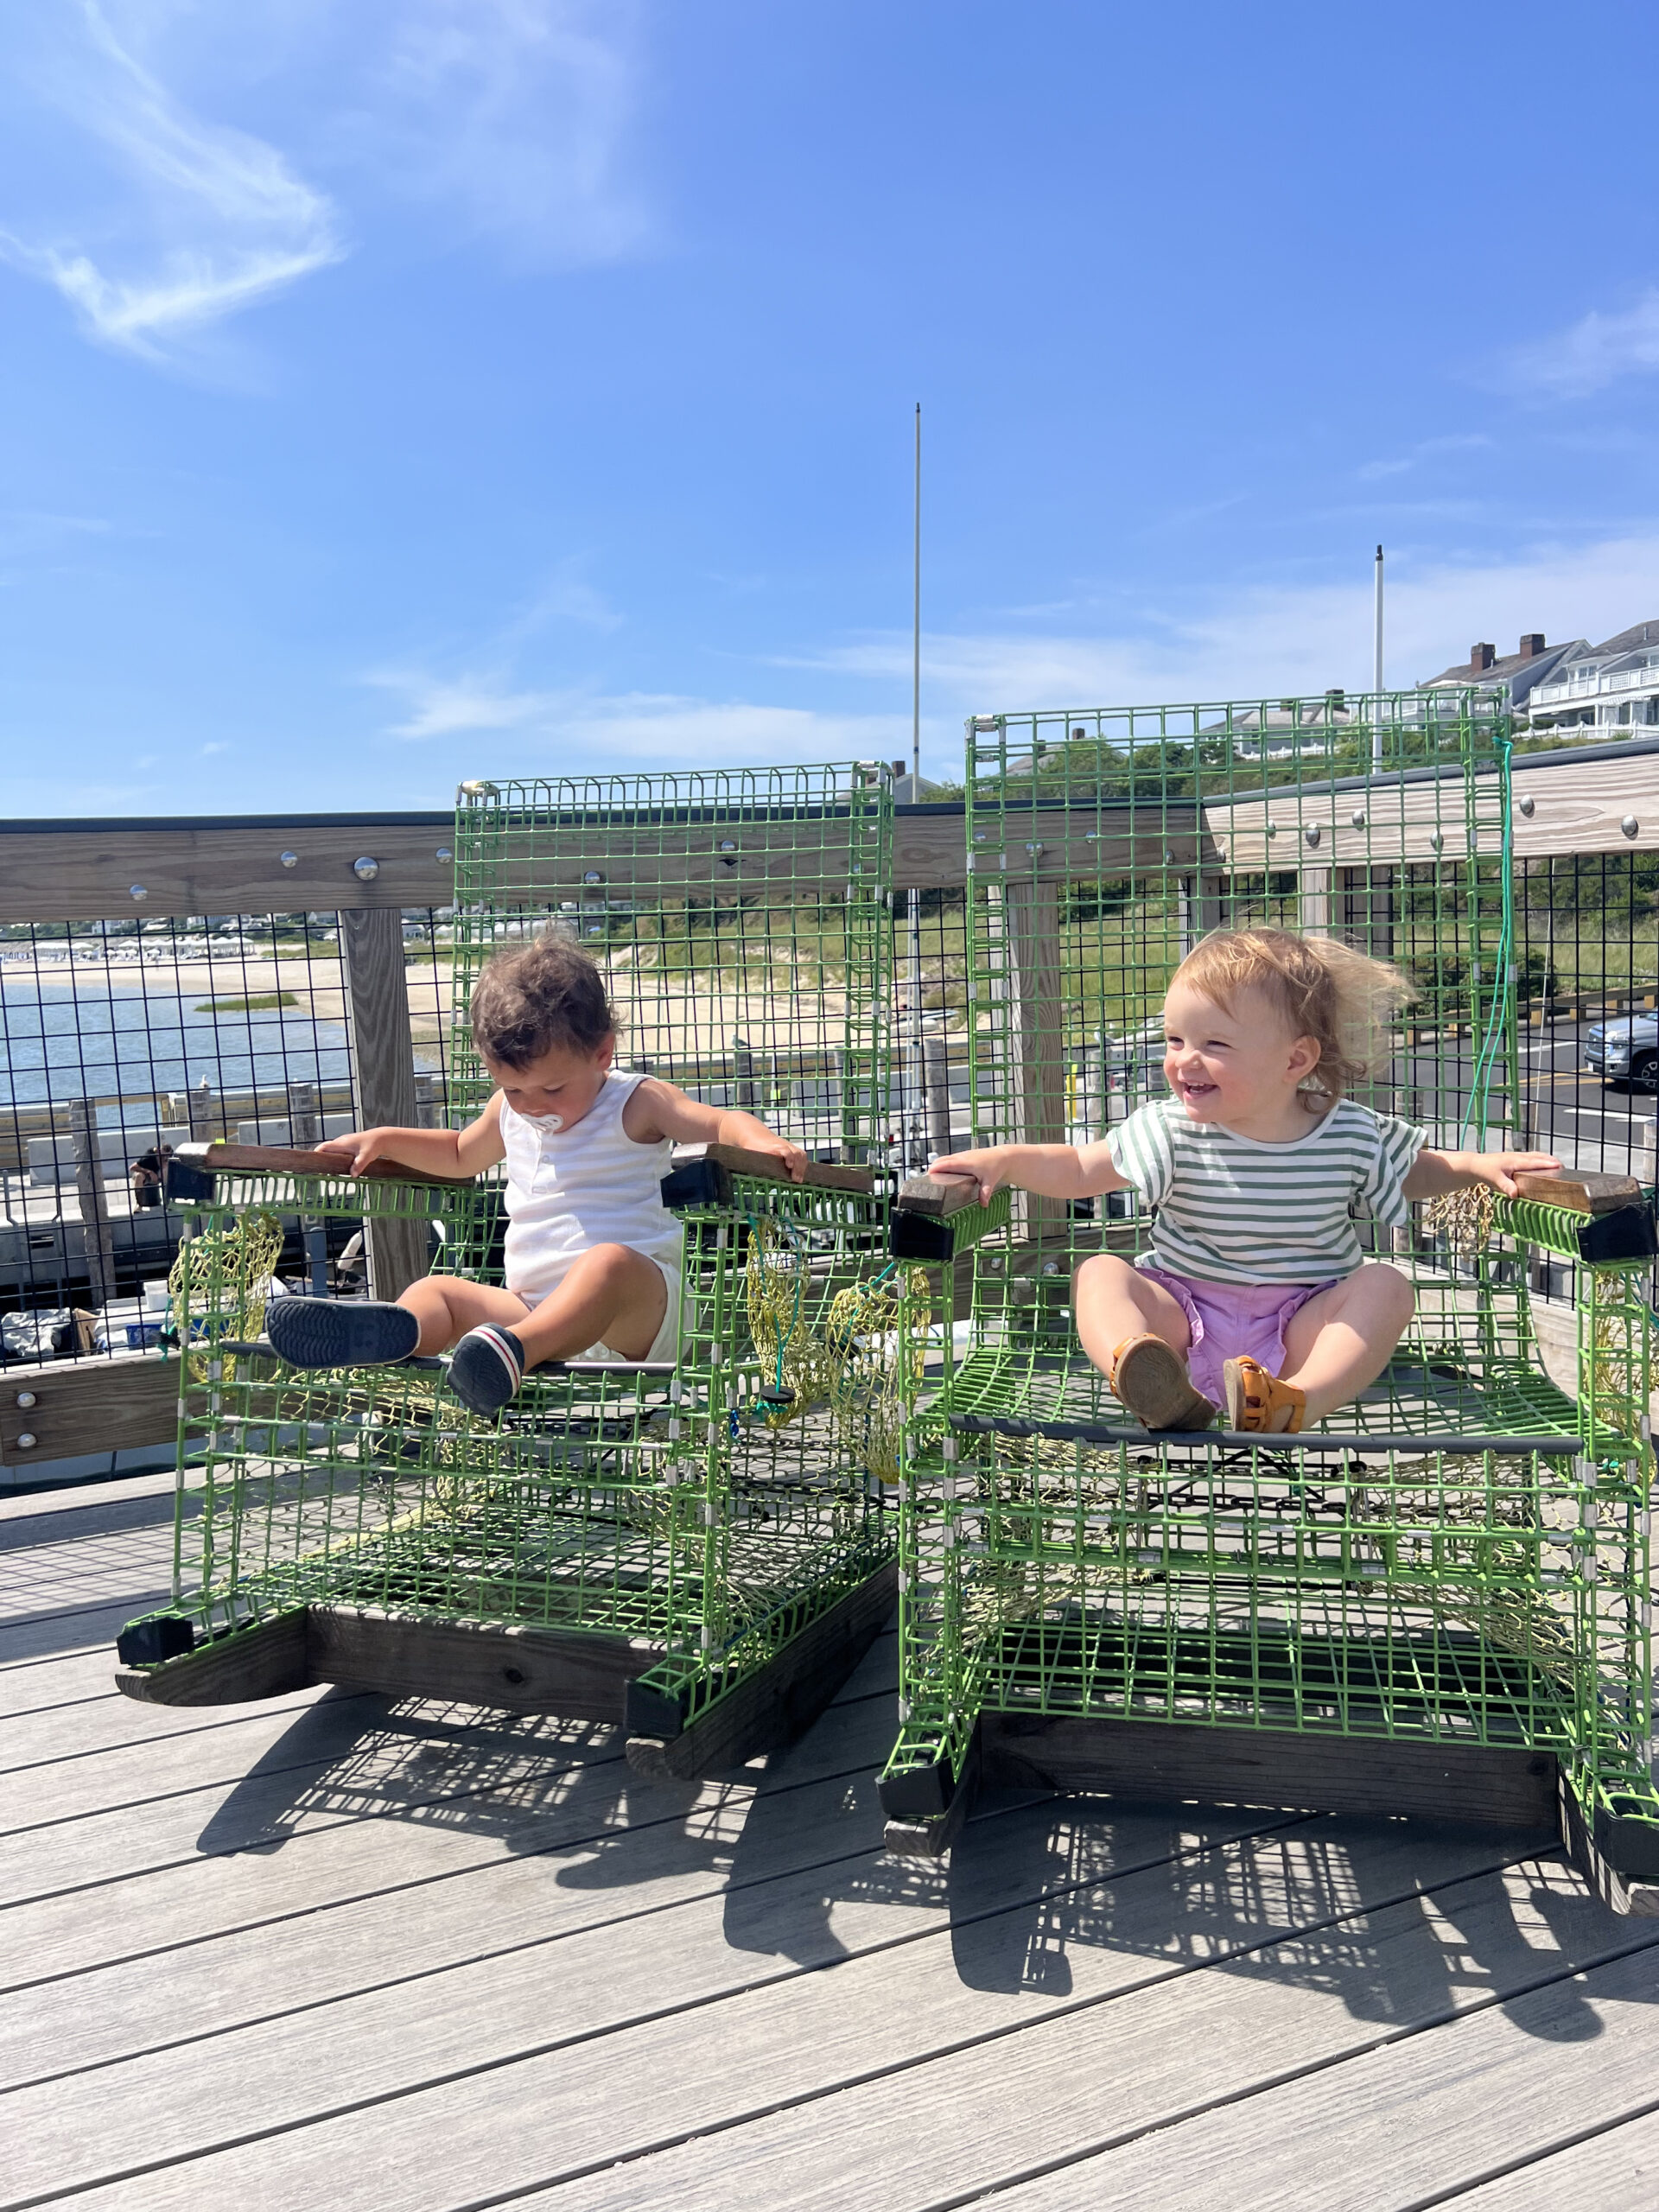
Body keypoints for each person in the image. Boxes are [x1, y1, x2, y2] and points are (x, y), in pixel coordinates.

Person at [928, 927, 1559, 1435]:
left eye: (1214, 1043)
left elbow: (1416, 1169)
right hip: (1183, 1312)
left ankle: (1297, 1402)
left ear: (1295, 1060)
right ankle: (1144, 1371)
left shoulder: (1347, 1131)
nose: (1182, 1059)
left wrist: (1478, 1165)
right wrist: (1006, 1159)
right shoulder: (1170, 1128)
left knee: (1386, 1285)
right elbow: (1080, 1168)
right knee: (1099, 1273)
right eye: (1175, 1038)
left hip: (1299, 1321)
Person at [265, 931, 804, 1416]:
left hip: (637, 1316)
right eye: (516, 1089)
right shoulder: (508, 1110)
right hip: (529, 1312)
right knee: (439, 1291)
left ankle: (510, 1354)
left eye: (551, 1089)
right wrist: (384, 1139)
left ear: (602, 1054)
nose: (531, 1104)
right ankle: (393, 1335)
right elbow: (457, 1153)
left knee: (607, 1262)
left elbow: (717, 1121)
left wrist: (765, 1143)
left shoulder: (634, 1101)